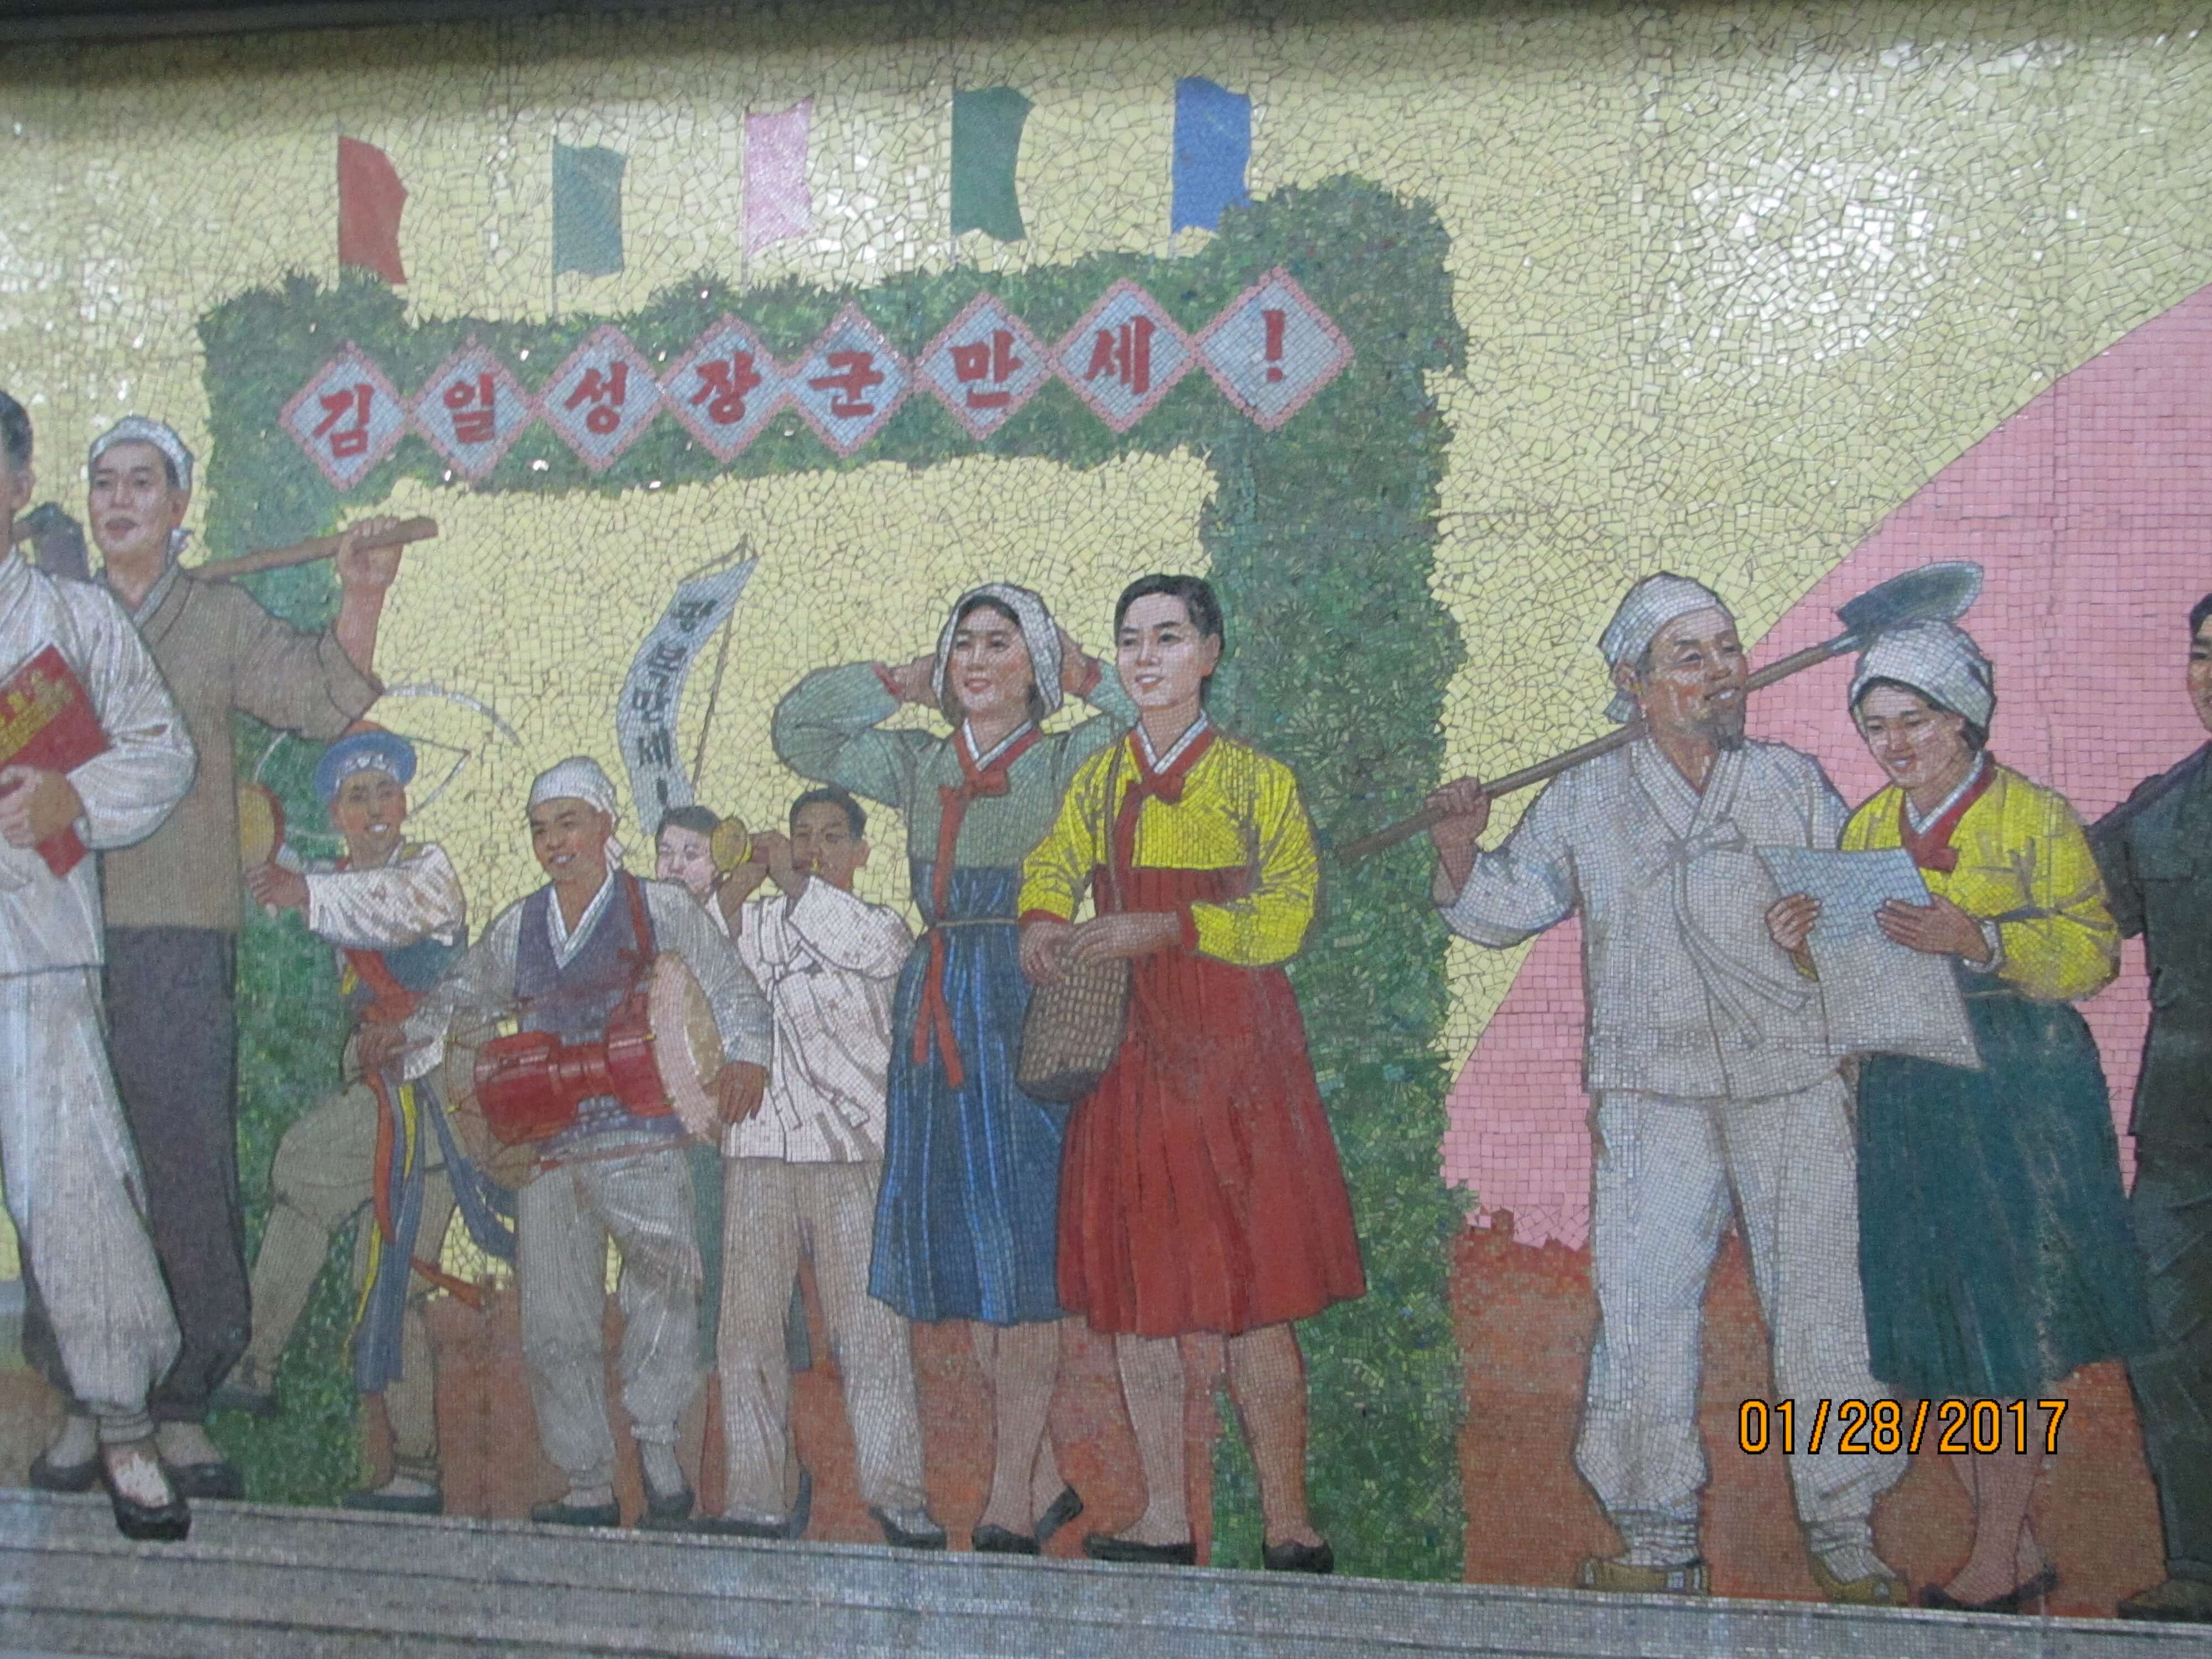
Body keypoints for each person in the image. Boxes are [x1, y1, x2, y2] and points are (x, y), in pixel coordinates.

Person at [1426, 573, 1907, 1604]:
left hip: (1793, 1083)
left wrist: (1821, 932)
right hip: (1651, 1093)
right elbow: (1504, 907)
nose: (1723, 673)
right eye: (1691, 657)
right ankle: (1653, 1534)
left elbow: (1868, 930)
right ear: (1632, 681)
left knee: (1825, 1307)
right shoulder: (1587, 795)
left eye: (1728, 651)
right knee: (1643, 1310)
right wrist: (1458, 848)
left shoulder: (1791, 781)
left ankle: (1846, 1527)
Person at [24, 415, 406, 1502]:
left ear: (179, 505)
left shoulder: (219, 617)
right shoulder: (55, 619)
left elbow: (323, 694)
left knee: (186, 1163)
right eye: (105, 483)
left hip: (182, 934)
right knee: (71, 1173)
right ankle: (87, 1400)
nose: (120, 501)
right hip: (59, 934)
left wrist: (363, 592)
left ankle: (184, 1403)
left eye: (143, 483)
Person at [1766, 619, 2148, 1613]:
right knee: (1929, 1325)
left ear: (1965, 719)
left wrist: (1978, 939)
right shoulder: (1866, 827)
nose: (1895, 744)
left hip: (2017, 1086)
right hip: (1909, 1087)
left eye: (1916, 720)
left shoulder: (2034, 817)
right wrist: (1804, 943)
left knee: (2006, 1326)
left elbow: (2093, 953)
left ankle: (1995, 1554)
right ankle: (2011, 1539)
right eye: (1877, 726)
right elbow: (1855, 968)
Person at [1019, 573, 1364, 1573]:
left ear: (1210, 654)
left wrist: (1172, 926)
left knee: (1257, 1293)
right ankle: (1165, 1518)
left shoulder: (1256, 780)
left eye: (1169, 638)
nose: (1147, 658)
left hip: (1237, 1053)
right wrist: (1042, 922)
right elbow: (1054, 863)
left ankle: (1288, 1521)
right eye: (1132, 640)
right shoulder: (1101, 780)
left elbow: (1289, 910)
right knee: (1140, 1292)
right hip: (1131, 1052)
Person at [773, 582, 1128, 1551]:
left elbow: (1153, 722)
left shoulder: (1068, 756)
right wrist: (893, 681)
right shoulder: (918, 760)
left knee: (1023, 1254)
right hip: (935, 1006)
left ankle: (1010, 1494)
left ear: (1035, 663)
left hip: (1022, 994)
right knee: (964, 1260)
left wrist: (1087, 672)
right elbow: (801, 731)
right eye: (963, 643)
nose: (976, 661)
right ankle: (1044, 1479)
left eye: (1001, 643)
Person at [395, 758, 771, 1527]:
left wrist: (748, 1056)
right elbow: (463, 997)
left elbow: (729, 986)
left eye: (568, 824)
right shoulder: (520, 925)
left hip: (643, 1139)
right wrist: (404, 1039)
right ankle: (587, 1481)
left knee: (667, 1287)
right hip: (549, 1145)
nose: (555, 843)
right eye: (541, 830)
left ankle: (657, 1443)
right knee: (555, 1318)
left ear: (605, 826)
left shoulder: (658, 907)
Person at [0, 388, 199, 1537]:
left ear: (21, 486)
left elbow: (162, 754)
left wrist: (70, 793)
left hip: (37, 955)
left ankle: (124, 1425)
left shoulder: (73, 619)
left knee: (75, 1188)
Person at [221, 728, 497, 1515]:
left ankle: (259, 1365)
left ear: (404, 803)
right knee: (370, 1265)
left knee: (317, 1187)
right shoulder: (336, 880)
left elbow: (391, 910)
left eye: (384, 793)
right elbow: (318, 896)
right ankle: (404, 1460)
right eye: (356, 798)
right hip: (384, 1093)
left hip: (438, 1095)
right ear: (336, 815)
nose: (375, 808)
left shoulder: (428, 871)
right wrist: (276, 878)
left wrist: (301, 892)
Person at [704, 784, 940, 1547]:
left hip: (848, 1153)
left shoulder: (880, 928)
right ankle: (756, 1496)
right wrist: (742, 875)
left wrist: (790, 879)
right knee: (747, 1332)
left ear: (861, 853)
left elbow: (856, 946)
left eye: (831, 837)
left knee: (868, 1330)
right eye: (802, 834)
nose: (812, 849)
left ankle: (898, 1494)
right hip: (760, 1152)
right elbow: (702, 954)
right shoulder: (761, 921)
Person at [2091, 595, 2212, 1625]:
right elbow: (2054, 902)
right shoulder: (2164, 809)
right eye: (2204, 657)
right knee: (2163, 1334)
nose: (2211, 678)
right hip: (2185, 1132)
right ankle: (2201, 1566)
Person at [653, 806, 812, 1451]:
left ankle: (776, 1467)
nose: (674, 867)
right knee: (683, 1316)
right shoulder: (648, 935)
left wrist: (748, 874)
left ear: (719, 862)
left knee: (755, 1308)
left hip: (737, 1145)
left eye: (692, 854)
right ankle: (687, 1476)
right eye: (665, 853)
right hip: (672, 1148)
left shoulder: (744, 924)